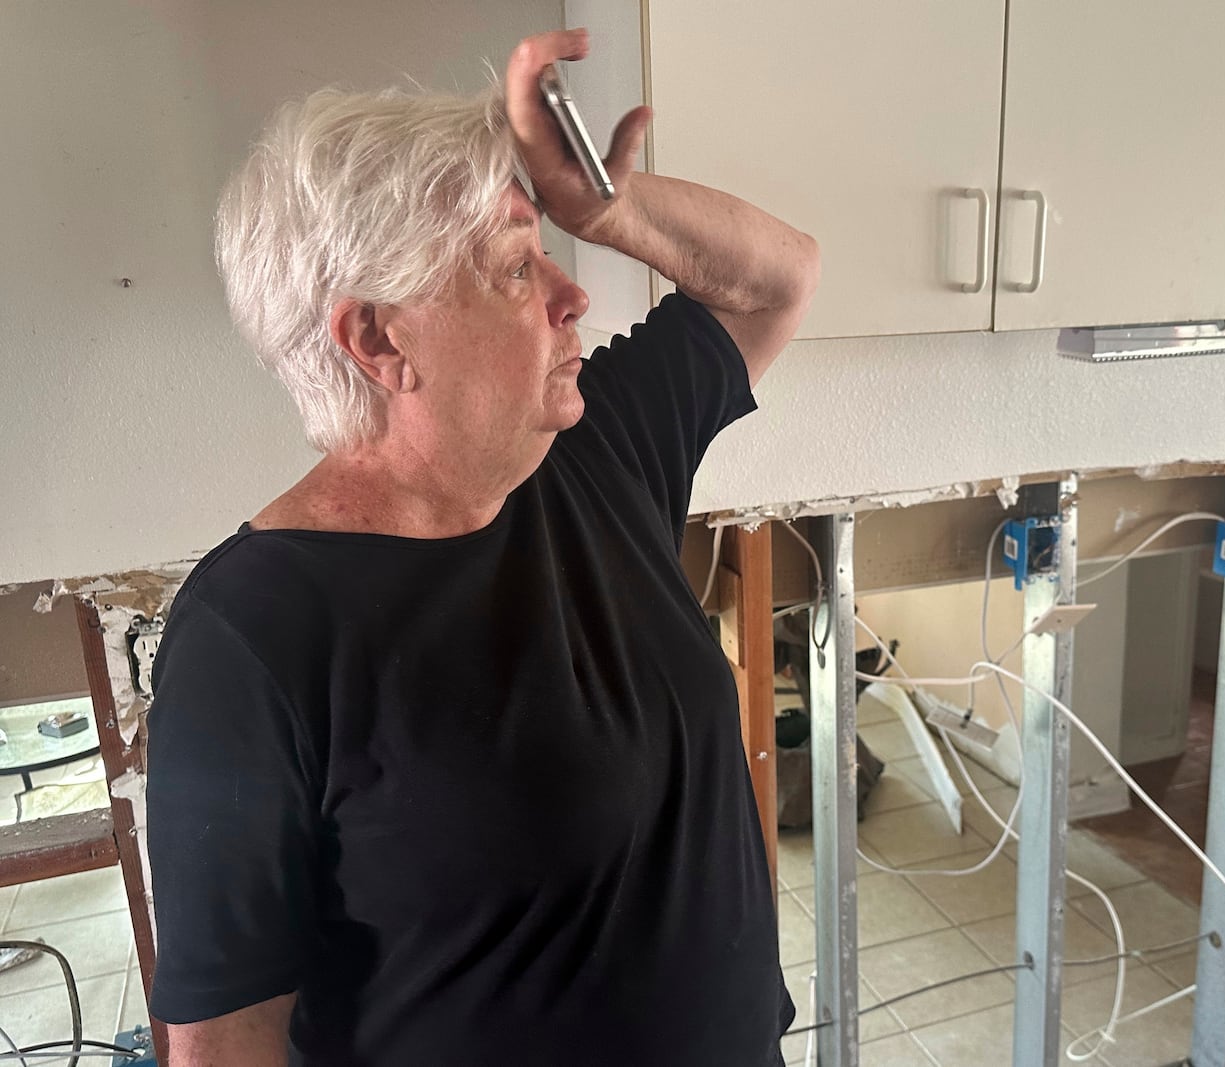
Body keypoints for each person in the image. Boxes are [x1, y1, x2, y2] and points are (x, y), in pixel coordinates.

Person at [145, 28, 820, 1067]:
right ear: (377, 341)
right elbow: (225, 1032)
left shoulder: (597, 450)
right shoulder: (253, 633)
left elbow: (777, 279)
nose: (572, 291)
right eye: (515, 266)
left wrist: (607, 206)